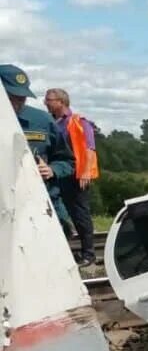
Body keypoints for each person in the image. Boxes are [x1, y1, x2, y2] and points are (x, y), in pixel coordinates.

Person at [3, 64, 73, 229]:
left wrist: (52, 170)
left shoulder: (42, 121)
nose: (18, 103)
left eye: (22, 98)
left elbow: (66, 160)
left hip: (41, 208)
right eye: (11, 97)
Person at [45, 87, 99, 266]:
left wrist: (85, 172)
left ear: (61, 102)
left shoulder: (78, 122)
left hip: (75, 175)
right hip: (56, 173)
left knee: (80, 214)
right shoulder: (51, 121)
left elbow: (89, 148)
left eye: (49, 100)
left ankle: (89, 255)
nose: (46, 103)